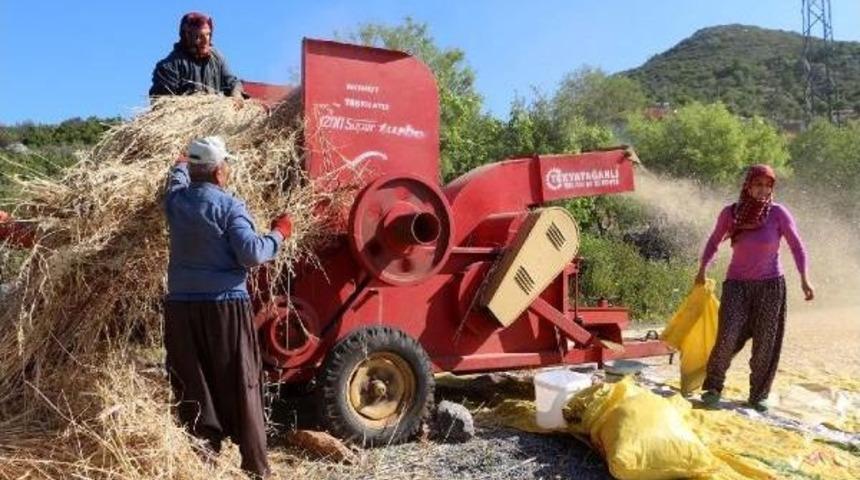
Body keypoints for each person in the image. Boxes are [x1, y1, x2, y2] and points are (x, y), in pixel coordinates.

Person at [164, 136, 291, 478]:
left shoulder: (175, 202)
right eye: (227, 165)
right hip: (225, 310)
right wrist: (280, 233)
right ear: (220, 172)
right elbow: (251, 253)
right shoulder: (229, 206)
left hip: (180, 310)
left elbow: (176, 178)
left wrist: (180, 163)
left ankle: (203, 462)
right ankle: (256, 467)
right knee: (242, 382)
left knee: (195, 385)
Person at [695, 164, 814, 412]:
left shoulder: (779, 214)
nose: (762, 190)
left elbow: (797, 246)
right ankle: (713, 387)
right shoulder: (732, 213)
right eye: (757, 184)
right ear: (747, 186)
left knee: (765, 343)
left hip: (771, 286)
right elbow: (714, 241)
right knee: (727, 337)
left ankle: (759, 394)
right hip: (737, 285)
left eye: (767, 185)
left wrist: (804, 278)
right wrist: (703, 269)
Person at [150, 12, 243, 97]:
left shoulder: (217, 58)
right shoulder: (169, 67)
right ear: (187, 36)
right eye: (199, 36)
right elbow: (163, 101)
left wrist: (236, 94)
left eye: (208, 35)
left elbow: (232, 82)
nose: (205, 41)